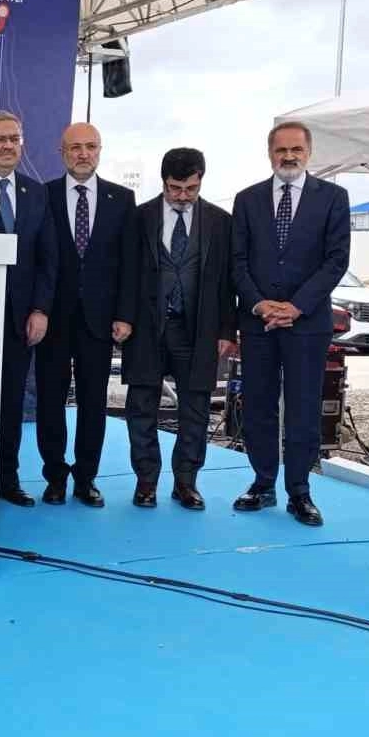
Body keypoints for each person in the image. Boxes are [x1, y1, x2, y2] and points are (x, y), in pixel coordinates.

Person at [230, 121, 350, 525]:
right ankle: (262, 483)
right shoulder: (247, 200)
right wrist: (259, 304)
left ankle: (299, 490)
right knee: (258, 406)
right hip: (259, 324)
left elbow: (336, 260)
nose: (288, 156)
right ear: (270, 153)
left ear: (309, 152)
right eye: (281, 149)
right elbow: (237, 261)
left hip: (307, 323)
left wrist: (296, 306)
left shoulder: (333, 198)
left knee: (303, 409)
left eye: (296, 149)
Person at [115, 148, 236, 510]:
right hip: (146, 328)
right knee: (141, 407)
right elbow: (125, 271)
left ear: (201, 182)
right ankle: (146, 482)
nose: (183, 196)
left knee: (196, 409)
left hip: (198, 331)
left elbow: (227, 281)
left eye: (191, 189)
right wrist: (122, 317)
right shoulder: (138, 217)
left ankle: (186, 482)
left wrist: (226, 330)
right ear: (163, 182)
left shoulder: (220, 222)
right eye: (175, 188)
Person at [34, 122, 132, 507]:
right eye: (75, 147)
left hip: (99, 321)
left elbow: (128, 263)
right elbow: (37, 258)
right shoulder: (42, 196)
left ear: (100, 151)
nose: (83, 154)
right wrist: (37, 309)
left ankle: (86, 479)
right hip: (52, 319)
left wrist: (124, 314)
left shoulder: (121, 199)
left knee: (94, 404)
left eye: (91, 146)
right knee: (49, 402)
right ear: (61, 152)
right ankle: (55, 478)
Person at [0, 110, 57, 507]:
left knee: (9, 403)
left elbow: (47, 258)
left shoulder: (35, 192)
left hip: (20, 320)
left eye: (14, 139)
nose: (8, 146)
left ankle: (6, 478)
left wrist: (40, 309)